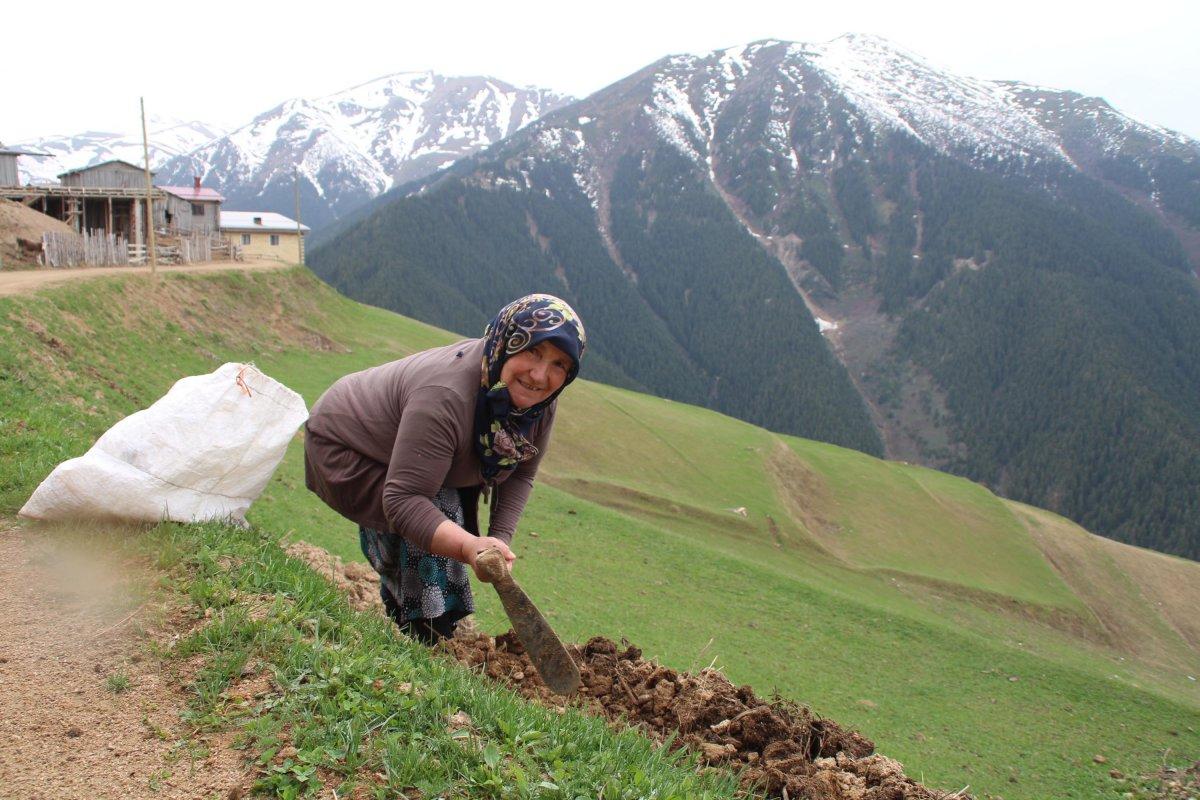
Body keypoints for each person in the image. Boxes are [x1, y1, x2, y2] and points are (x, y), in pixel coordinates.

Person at [303, 294, 585, 644]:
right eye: (532, 352)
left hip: (415, 453)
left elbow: (523, 472)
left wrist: (498, 539)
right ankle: (420, 631)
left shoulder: (538, 402)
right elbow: (404, 498)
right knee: (436, 511)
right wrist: (470, 548)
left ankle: (432, 625)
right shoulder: (446, 395)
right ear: (505, 342)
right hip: (347, 445)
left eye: (559, 364)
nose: (540, 375)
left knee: (444, 512)